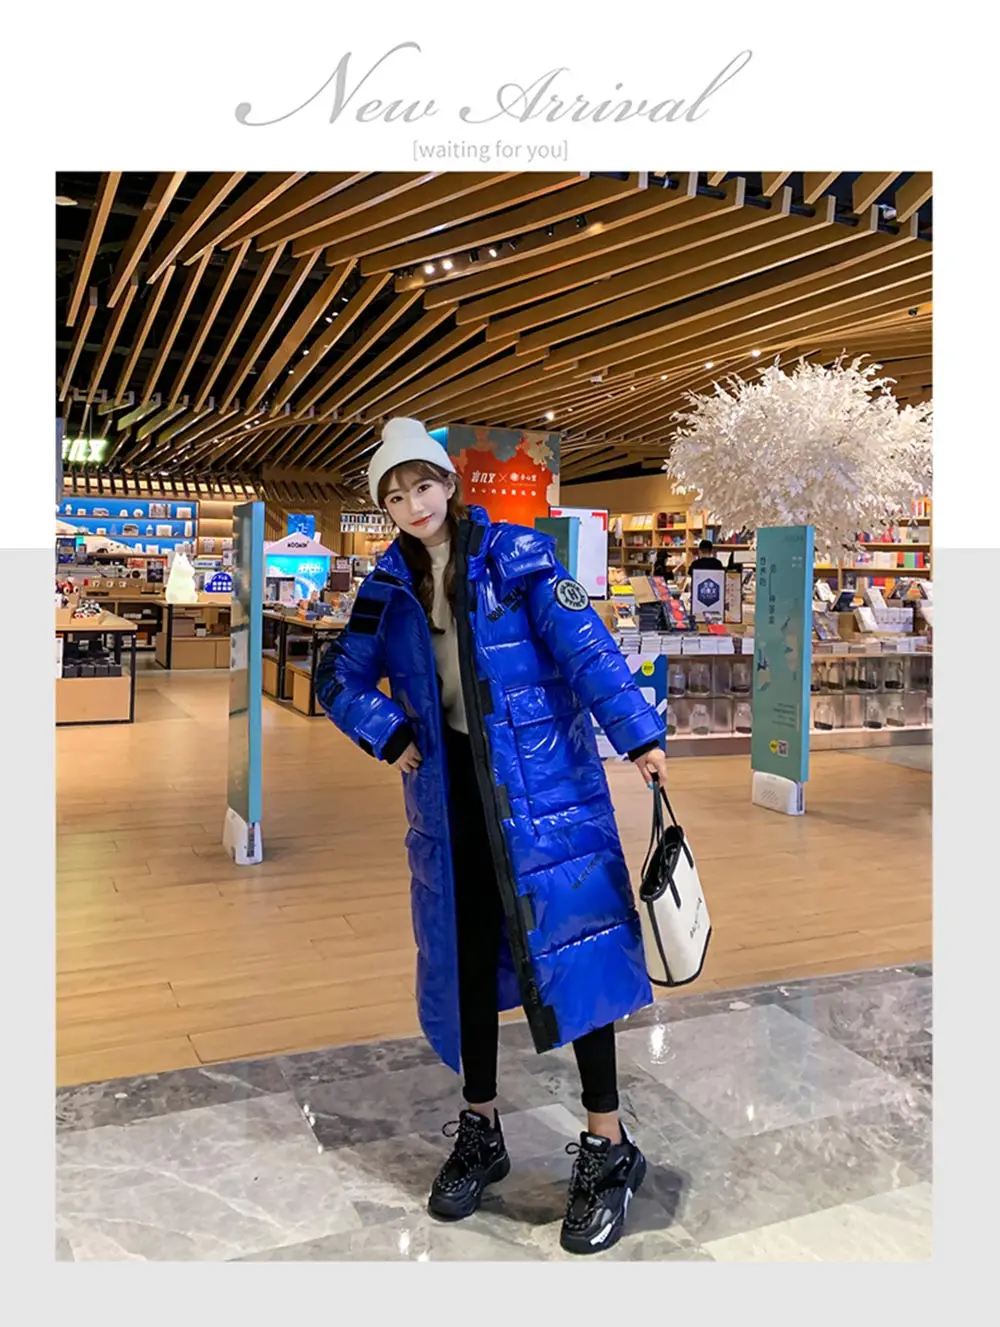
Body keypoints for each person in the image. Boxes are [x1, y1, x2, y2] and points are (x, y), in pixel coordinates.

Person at [316, 417, 668, 1256]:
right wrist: (390, 732)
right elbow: (338, 676)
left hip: (548, 796)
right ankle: (481, 1127)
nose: (414, 505)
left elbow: (587, 648)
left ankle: (609, 1141)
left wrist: (638, 735)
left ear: (448, 483)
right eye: (395, 496)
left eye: (423, 485)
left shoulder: (517, 556)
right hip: (449, 806)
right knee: (466, 959)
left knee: (576, 952)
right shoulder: (386, 586)